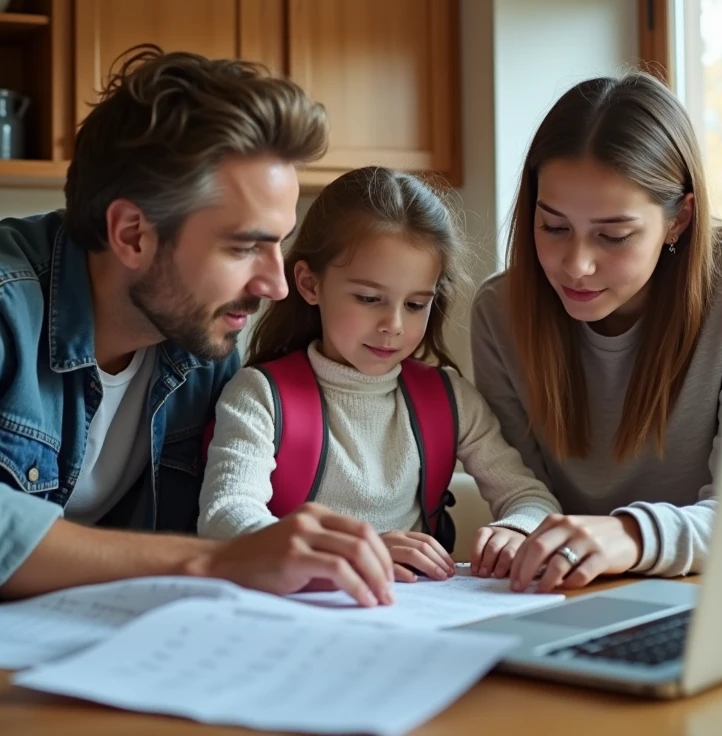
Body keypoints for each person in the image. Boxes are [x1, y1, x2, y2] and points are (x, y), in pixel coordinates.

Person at [0, 46, 399, 610]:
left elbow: (232, 508)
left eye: (278, 246)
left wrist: (345, 546)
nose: (276, 285)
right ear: (132, 233)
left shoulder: (203, 344)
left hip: (67, 664)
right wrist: (217, 561)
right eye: (244, 248)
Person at [469, 72, 722, 594]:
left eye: (614, 236)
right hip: (576, 596)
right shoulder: (500, 311)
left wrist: (629, 534)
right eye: (553, 227)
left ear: (679, 219)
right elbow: (527, 493)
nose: (576, 265)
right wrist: (521, 529)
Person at [198, 166, 562, 582]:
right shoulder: (260, 395)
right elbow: (224, 515)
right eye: (370, 298)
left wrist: (515, 530)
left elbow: (531, 498)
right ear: (309, 283)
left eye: (415, 304)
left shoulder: (451, 398)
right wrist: (353, 553)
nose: (394, 325)